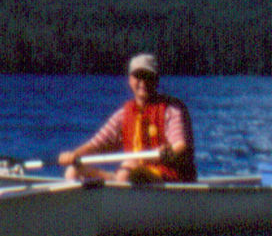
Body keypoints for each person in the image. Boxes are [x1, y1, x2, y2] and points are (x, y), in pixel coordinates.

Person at [57, 53, 196, 184]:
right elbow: (95, 144)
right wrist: (73, 155)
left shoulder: (172, 109)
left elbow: (180, 145)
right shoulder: (123, 115)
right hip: (132, 175)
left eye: (148, 76)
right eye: (138, 76)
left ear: (156, 80)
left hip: (168, 178)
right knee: (72, 171)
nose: (143, 82)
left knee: (126, 171)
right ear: (130, 79)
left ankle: (120, 188)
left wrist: (168, 152)